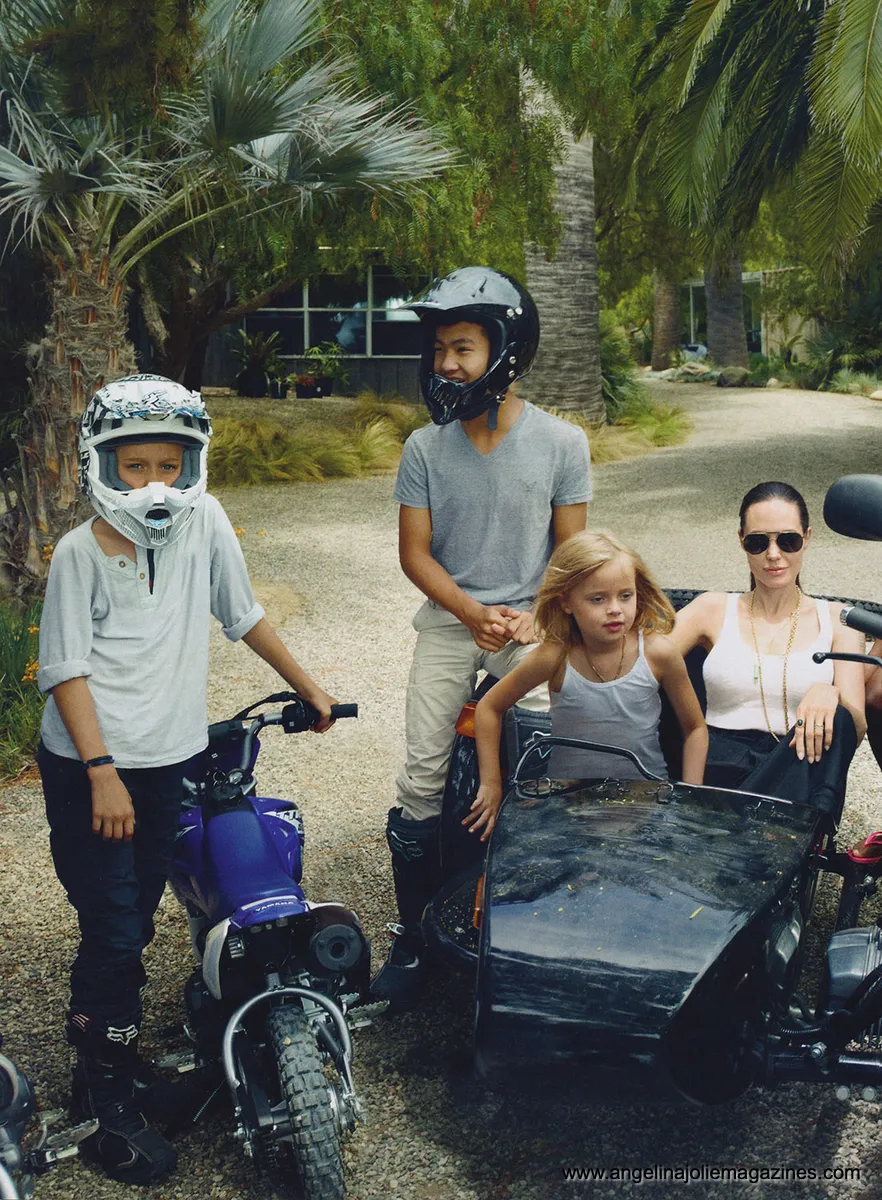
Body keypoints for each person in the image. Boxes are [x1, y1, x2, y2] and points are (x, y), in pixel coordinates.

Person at [36, 374, 337, 1186]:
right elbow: (64, 669)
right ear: (101, 463)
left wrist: (308, 686)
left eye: (170, 465)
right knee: (112, 929)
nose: (154, 485)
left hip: (167, 759)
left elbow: (242, 613)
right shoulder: (78, 553)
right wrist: (101, 771)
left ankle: (107, 1067)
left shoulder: (203, 522)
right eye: (134, 467)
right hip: (92, 767)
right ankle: (107, 1107)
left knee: (135, 918)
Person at [369, 266, 591, 1011]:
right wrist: (468, 611)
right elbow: (415, 555)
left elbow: (571, 553)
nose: (446, 365)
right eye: (439, 349)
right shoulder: (424, 448)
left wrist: (540, 614)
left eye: (461, 348)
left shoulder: (562, 443)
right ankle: (414, 936)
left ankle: (533, 916)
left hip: (530, 621)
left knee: (548, 750)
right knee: (421, 778)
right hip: (450, 621)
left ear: (505, 350)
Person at [467, 531, 708, 839]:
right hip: (568, 805)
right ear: (566, 602)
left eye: (625, 595)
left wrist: (690, 795)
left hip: (646, 802)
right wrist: (491, 784)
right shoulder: (555, 656)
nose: (615, 609)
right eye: (598, 599)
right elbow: (489, 707)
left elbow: (695, 728)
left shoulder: (658, 653)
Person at [671, 481, 865, 815]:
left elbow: (855, 728)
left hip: (796, 769)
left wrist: (830, 693)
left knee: (840, 719)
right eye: (758, 542)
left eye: (788, 540)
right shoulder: (712, 608)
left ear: (807, 538)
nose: (773, 554)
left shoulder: (837, 619)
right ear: (741, 541)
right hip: (722, 768)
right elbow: (641, 659)